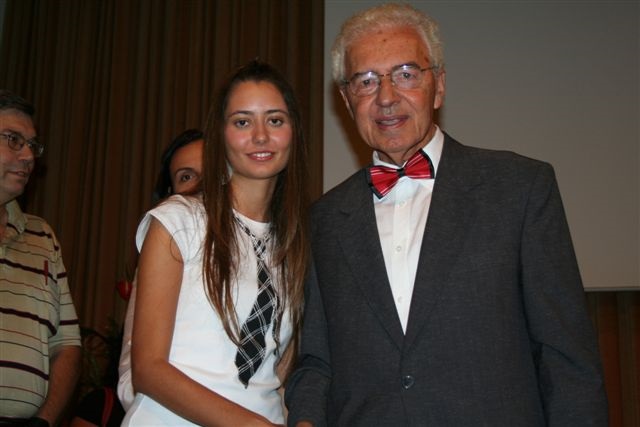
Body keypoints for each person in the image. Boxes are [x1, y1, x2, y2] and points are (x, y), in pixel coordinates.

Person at [284, 3, 608, 426]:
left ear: (438, 86)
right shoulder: (323, 221)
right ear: (347, 101)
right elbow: (316, 362)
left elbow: (566, 359)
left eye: (406, 74)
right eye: (366, 81)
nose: (386, 97)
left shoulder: (519, 188)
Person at [121, 60, 308, 426]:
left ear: (293, 132)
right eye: (242, 122)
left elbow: (276, 373)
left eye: (275, 120)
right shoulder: (179, 219)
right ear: (220, 134)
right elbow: (148, 369)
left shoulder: (296, 244)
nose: (260, 136)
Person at [0, 91, 82, 426]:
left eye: (32, 145)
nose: (28, 156)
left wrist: (43, 421)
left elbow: (67, 345)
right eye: (13, 140)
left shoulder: (43, 236)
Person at [116, 128, 204, 411]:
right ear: (170, 194)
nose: (201, 185)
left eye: (212, 171)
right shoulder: (166, 249)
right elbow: (133, 375)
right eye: (186, 177)